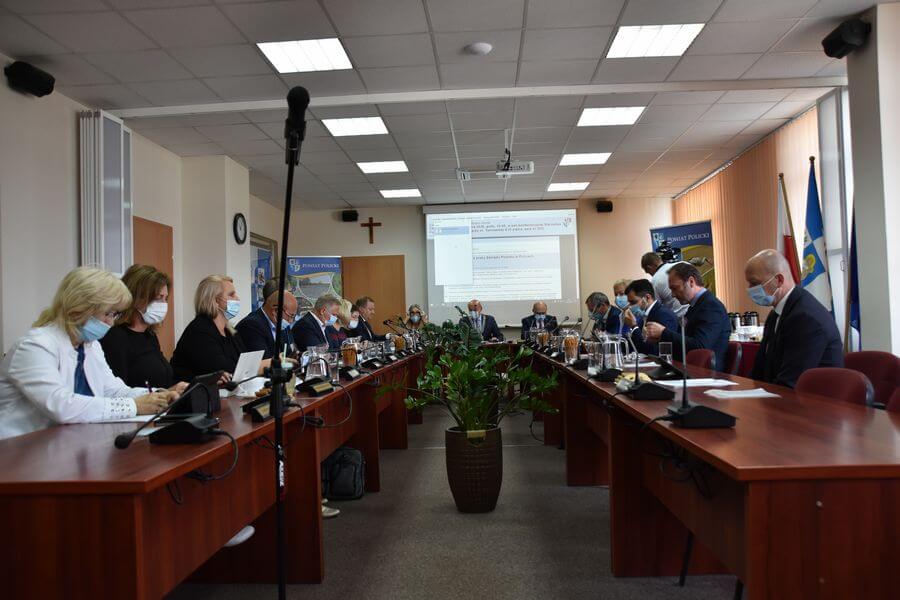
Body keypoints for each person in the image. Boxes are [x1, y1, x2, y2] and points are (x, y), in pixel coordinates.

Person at [0, 267, 177, 440]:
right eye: (107, 313)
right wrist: (134, 406)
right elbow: (62, 406)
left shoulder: (90, 346)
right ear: (79, 309)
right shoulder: (34, 346)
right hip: (19, 449)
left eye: (114, 314)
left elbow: (113, 390)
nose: (110, 323)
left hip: (67, 443)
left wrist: (159, 395)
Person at [745, 249, 843, 387]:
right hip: (783, 394)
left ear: (779, 280)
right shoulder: (776, 314)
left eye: (755, 283)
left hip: (814, 398)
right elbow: (760, 369)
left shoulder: (806, 318)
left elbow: (791, 381)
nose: (750, 289)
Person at [100, 264, 187, 392]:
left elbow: (162, 382)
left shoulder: (149, 335)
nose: (163, 304)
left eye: (165, 298)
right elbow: (117, 391)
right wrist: (166, 393)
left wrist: (176, 389)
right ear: (137, 298)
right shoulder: (115, 337)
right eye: (159, 297)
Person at [643, 262, 731, 370]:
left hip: (706, 373)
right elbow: (685, 340)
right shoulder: (696, 305)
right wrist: (660, 338)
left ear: (691, 282)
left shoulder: (711, 306)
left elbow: (700, 347)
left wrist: (664, 332)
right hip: (691, 369)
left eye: (675, 288)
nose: (673, 295)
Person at [171, 275, 250, 382]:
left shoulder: (230, 330)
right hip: (191, 392)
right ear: (216, 300)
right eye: (231, 294)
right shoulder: (199, 331)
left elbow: (244, 362)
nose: (237, 298)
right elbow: (224, 372)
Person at [236, 282, 298, 360]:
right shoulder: (251, 325)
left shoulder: (281, 325)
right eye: (291, 316)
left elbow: (290, 353)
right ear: (276, 311)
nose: (291, 321)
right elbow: (263, 361)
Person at [622, 279, 679, 355]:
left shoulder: (665, 315)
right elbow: (633, 344)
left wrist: (634, 326)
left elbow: (654, 351)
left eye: (633, 302)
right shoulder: (645, 316)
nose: (630, 306)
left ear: (647, 297)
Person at [640, 252, 688, 318]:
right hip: (696, 309)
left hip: (678, 318)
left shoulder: (655, 281)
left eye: (648, 272)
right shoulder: (684, 264)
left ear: (649, 267)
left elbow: (656, 307)